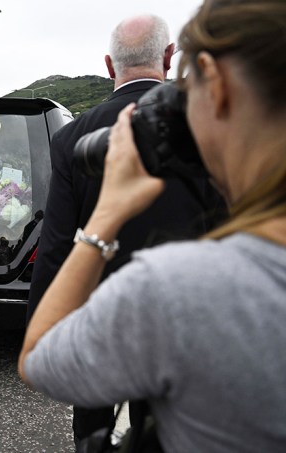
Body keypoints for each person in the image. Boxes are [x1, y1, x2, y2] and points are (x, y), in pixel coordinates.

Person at [20, 0, 286, 451]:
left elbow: (56, 245)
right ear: (166, 57)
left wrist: (105, 217)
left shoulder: (73, 137)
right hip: (217, 338)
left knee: (95, 429)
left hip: (138, 308)